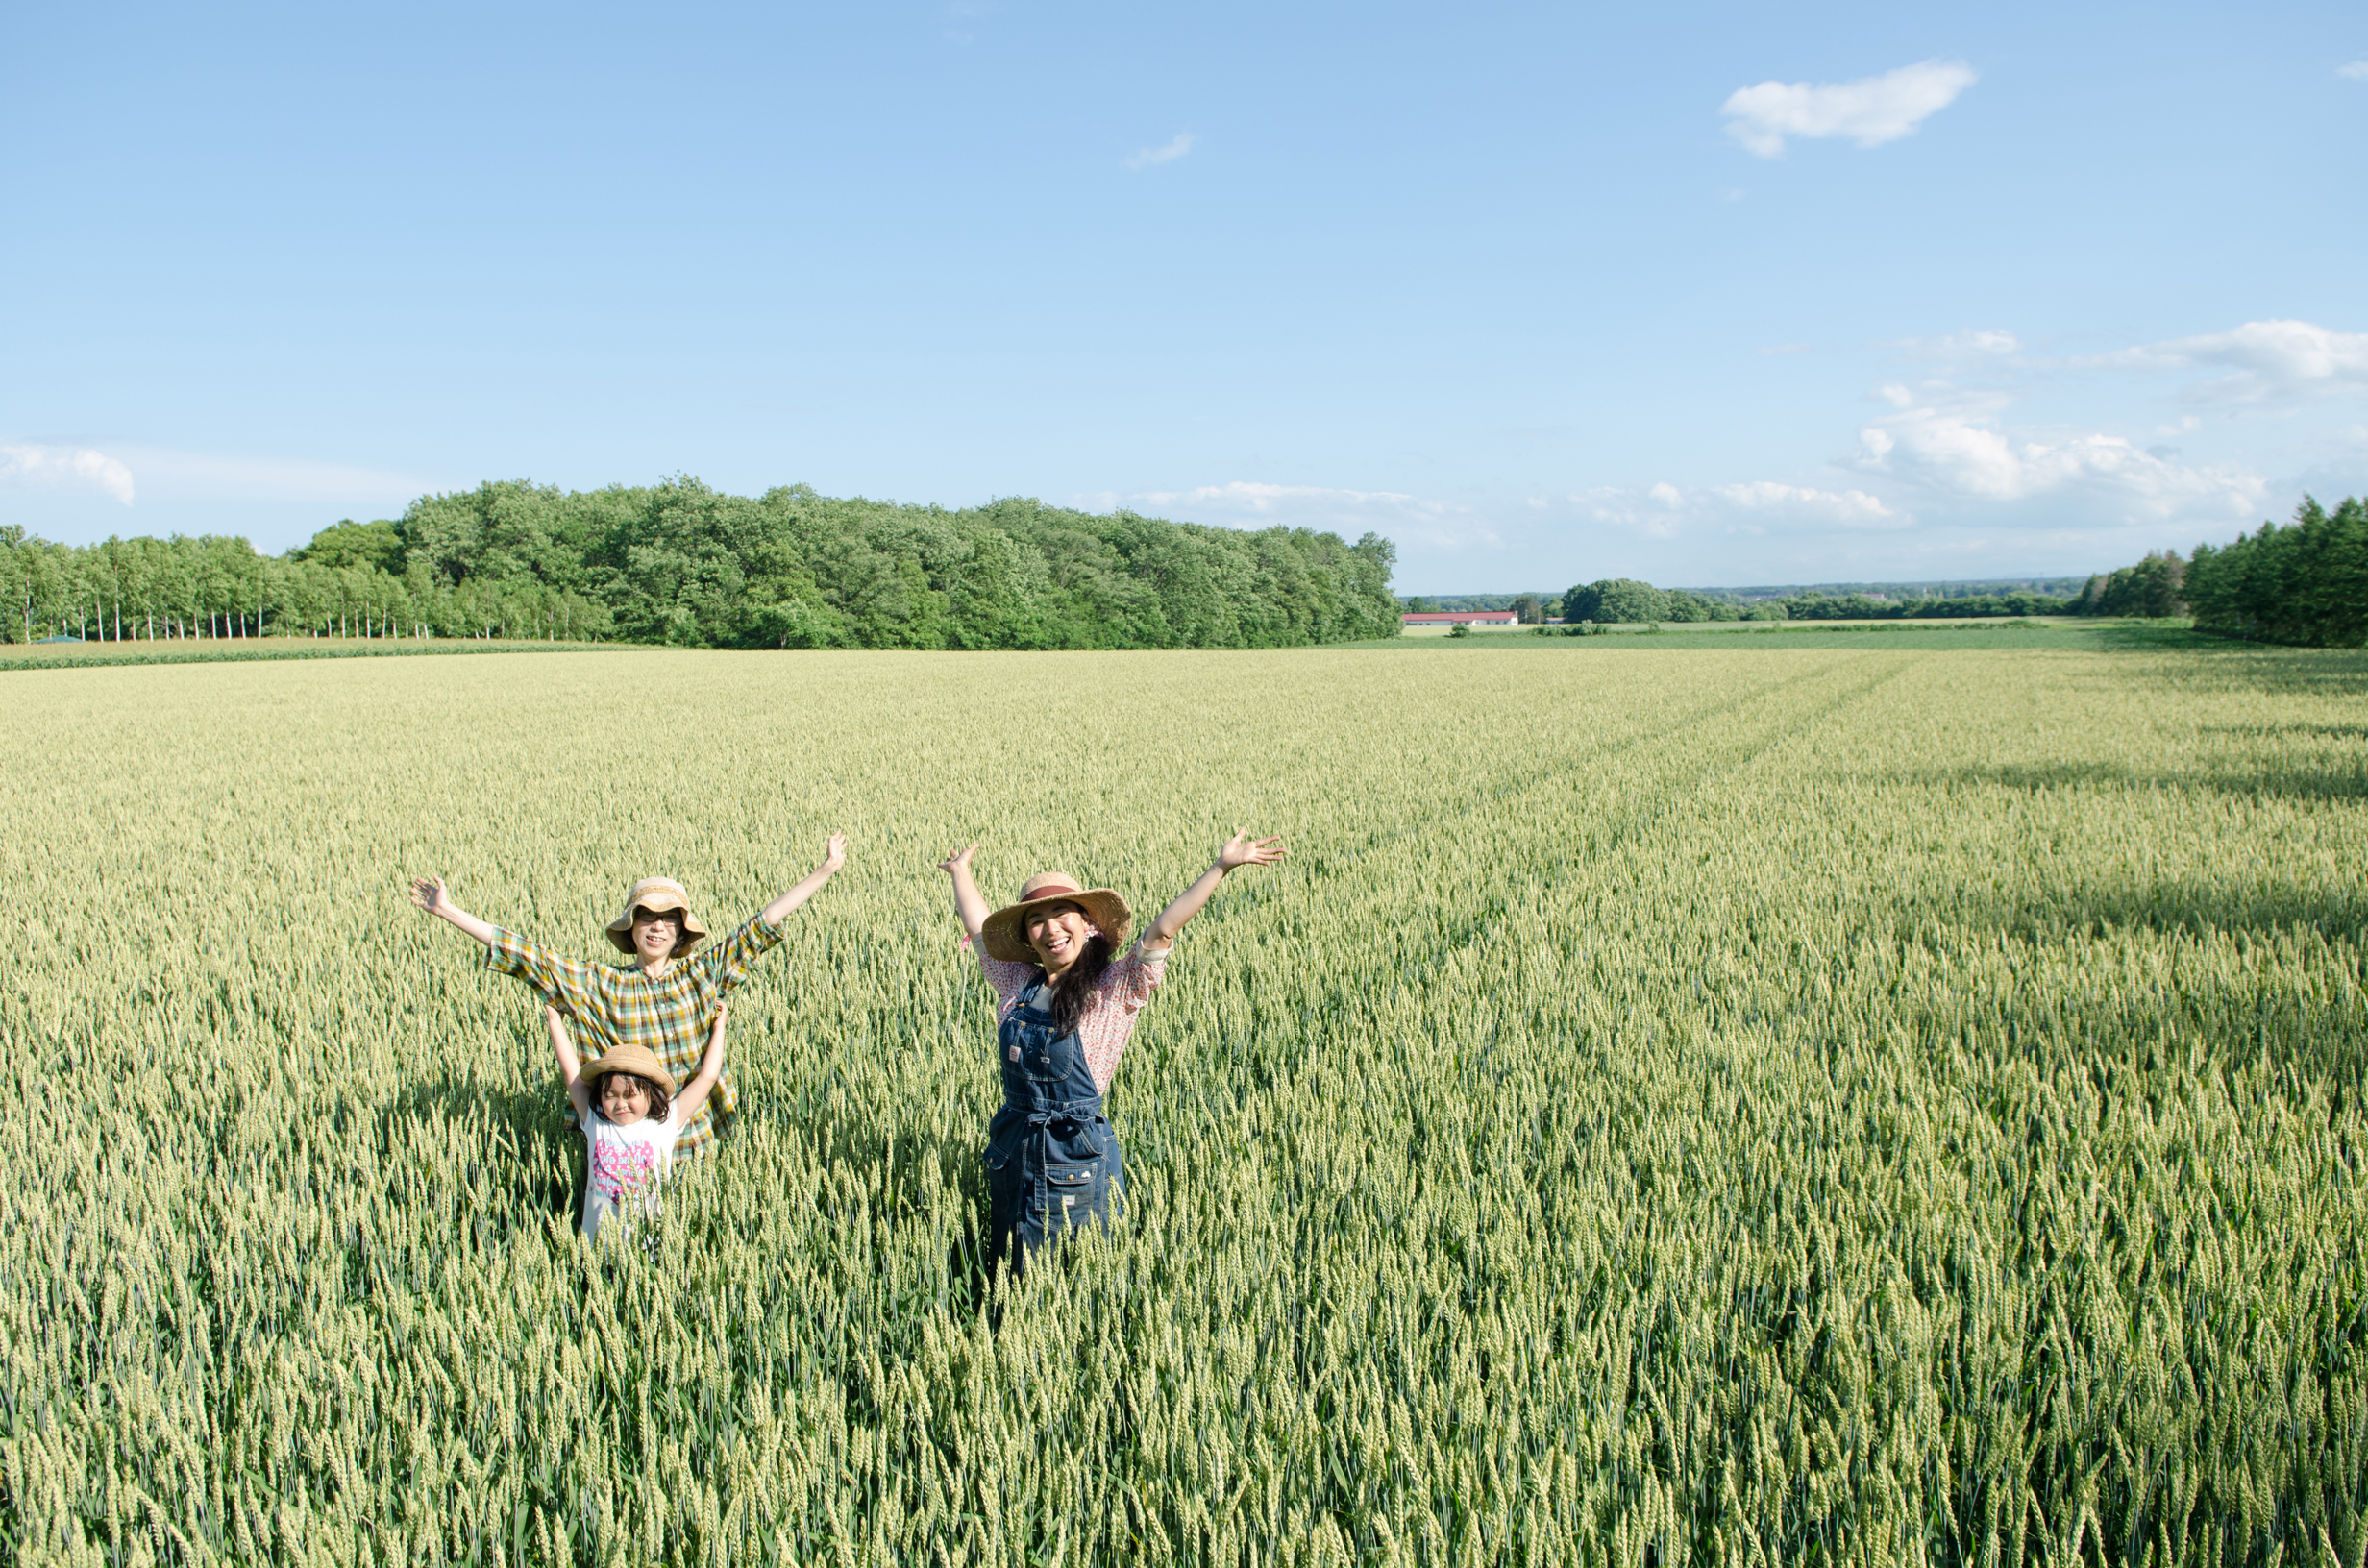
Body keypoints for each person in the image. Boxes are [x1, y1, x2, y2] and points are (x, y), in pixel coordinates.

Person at [938, 831, 1287, 1272]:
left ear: (1089, 925)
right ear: (1027, 937)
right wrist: (961, 872)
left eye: (1062, 914)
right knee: (1012, 1269)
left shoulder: (1111, 989)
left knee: (1071, 1275)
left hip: (1073, 1155)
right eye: (1036, 920)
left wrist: (1220, 867)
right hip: (1015, 1148)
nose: (1051, 929)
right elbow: (979, 930)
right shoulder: (1016, 983)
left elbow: (1162, 931)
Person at [407, 833, 847, 1156]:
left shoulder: (702, 974)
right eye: (647, 917)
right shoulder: (604, 985)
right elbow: (529, 955)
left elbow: (762, 924)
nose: (657, 926)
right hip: (624, 1143)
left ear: (680, 932)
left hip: (695, 1135)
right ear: (632, 929)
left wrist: (825, 870)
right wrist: (447, 911)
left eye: (669, 919)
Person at [546, 1002, 726, 1238]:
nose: (620, 1103)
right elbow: (571, 1072)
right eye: (610, 1095)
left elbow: (707, 1077)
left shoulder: (664, 1124)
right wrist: (554, 1020)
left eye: (630, 1095)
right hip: (599, 1251)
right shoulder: (595, 1122)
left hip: (649, 1247)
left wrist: (719, 1027)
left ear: (651, 1094)